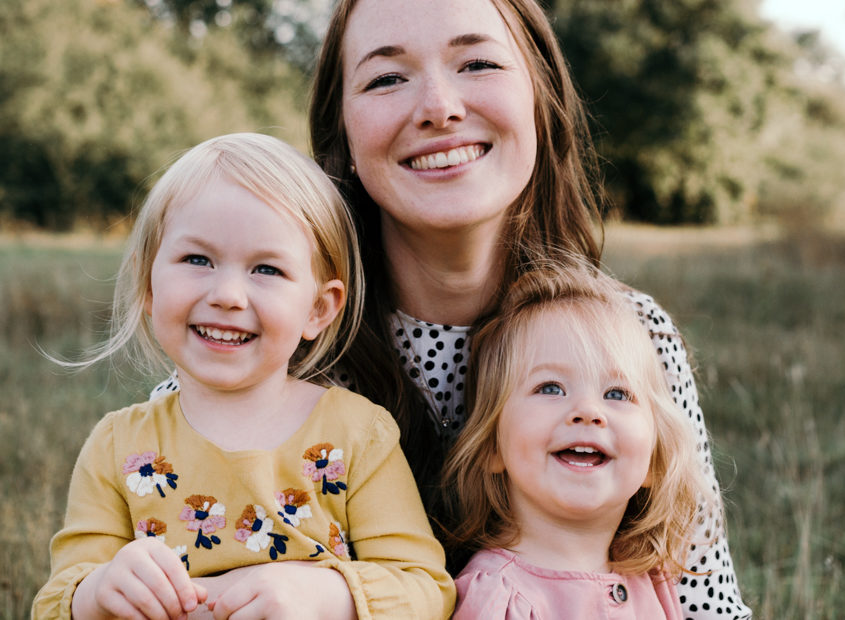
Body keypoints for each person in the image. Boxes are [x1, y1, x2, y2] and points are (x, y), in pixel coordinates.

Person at [158, 0, 751, 616]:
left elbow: (706, 600)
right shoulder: (270, 331)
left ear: (540, 98)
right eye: (387, 77)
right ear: (343, 131)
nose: (440, 107)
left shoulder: (630, 338)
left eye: (478, 63)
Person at [32, 133, 455, 620]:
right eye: (198, 260)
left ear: (317, 309)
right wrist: (100, 590)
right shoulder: (116, 447)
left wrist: (327, 595)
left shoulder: (357, 435)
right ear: (148, 282)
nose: (228, 294)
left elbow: (427, 590)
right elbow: (54, 601)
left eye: (267, 269)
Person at [443, 261, 710, 618]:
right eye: (550, 388)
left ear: (654, 460)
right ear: (493, 445)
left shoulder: (651, 581)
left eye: (617, 394)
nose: (587, 410)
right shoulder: (497, 599)